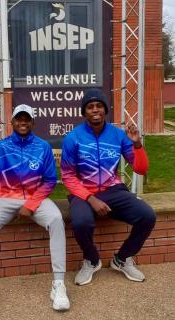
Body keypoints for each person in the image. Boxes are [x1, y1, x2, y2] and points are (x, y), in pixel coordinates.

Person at [0, 104, 70, 314]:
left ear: (32, 122)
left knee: (57, 219)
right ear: (11, 122)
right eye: (19, 119)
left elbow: (49, 181)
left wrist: (30, 205)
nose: (23, 122)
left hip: (35, 198)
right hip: (5, 197)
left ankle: (58, 284)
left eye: (27, 119)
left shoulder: (43, 147)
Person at [61, 88, 156, 286]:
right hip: (84, 193)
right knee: (81, 223)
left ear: (105, 110)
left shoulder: (118, 135)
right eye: (90, 106)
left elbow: (141, 168)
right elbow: (68, 177)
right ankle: (92, 260)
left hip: (113, 190)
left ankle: (122, 259)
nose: (95, 110)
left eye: (99, 106)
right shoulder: (73, 138)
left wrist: (137, 145)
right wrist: (91, 199)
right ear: (84, 112)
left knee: (147, 216)